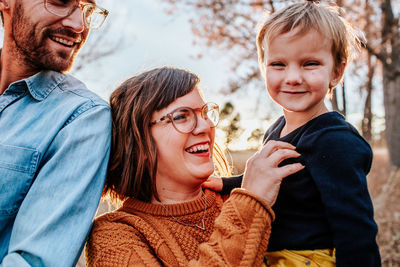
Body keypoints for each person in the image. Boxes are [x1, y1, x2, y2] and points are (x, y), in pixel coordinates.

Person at [204, 1, 381, 266]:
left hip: (308, 259)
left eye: (310, 63)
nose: (293, 77)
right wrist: (230, 184)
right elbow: (277, 175)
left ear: (337, 72)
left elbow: (356, 229)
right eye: (278, 64)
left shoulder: (333, 141)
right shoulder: (277, 128)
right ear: (264, 68)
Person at [85, 67, 304, 266]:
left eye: (205, 113)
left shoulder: (239, 199)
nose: (205, 126)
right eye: (181, 117)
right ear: (138, 144)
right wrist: (250, 205)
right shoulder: (114, 235)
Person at [0, 1, 111, 266]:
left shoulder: (82, 117)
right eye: (60, 2)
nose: (79, 25)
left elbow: (35, 261)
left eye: (87, 10)